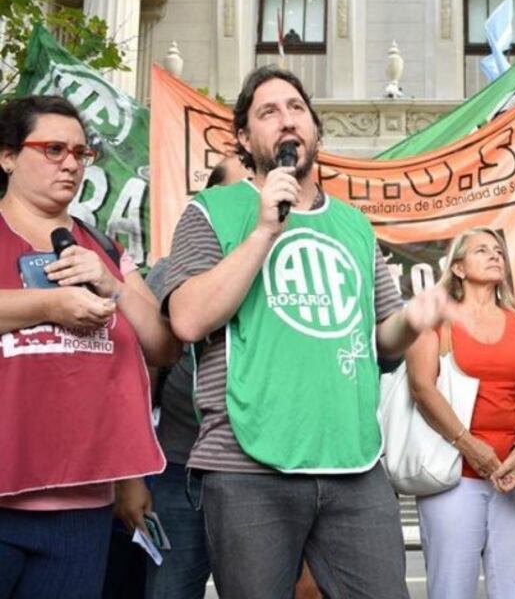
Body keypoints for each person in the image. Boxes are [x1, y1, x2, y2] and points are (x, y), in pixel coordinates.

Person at [162, 66, 455, 599]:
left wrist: (415, 317)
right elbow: (187, 319)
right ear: (246, 140)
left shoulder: (353, 225)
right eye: (268, 112)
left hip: (354, 461)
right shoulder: (211, 211)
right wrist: (265, 229)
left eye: (296, 108)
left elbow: (381, 342)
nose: (287, 119)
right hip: (247, 465)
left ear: (316, 130)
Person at [0, 95, 179, 597]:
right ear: (7, 155)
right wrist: (48, 306)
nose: (71, 164)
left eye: (81, 153)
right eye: (53, 149)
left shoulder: (102, 247)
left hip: (82, 506)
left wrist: (114, 285)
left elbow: (162, 347)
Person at [134, 157, 251, 599]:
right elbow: (142, 371)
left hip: (258, 475)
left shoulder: (282, 267)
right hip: (180, 470)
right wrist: (131, 477)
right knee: (168, 590)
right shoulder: (169, 272)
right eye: (237, 192)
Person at [405, 228, 515, 599]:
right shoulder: (435, 320)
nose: (495, 255)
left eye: (498, 250)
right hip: (454, 472)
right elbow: (422, 388)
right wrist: (470, 447)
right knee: (451, 589)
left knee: (513, 592)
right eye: (482, 250)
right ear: (459, 268)